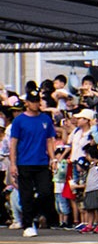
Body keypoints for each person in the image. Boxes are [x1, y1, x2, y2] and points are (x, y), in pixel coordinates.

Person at [9, 92, 56, 236]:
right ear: (27, 103)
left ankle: (32, 214)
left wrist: (52, 158)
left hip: (41, 162)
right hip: (24, 162)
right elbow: (13, 143)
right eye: (33, 101)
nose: (36, 104)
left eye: (38, 101)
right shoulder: (19, 121)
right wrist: (13, 163)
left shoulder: (46, 119)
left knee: (46, 192)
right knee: (26, 194)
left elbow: (49, 140)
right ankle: (28, 224)